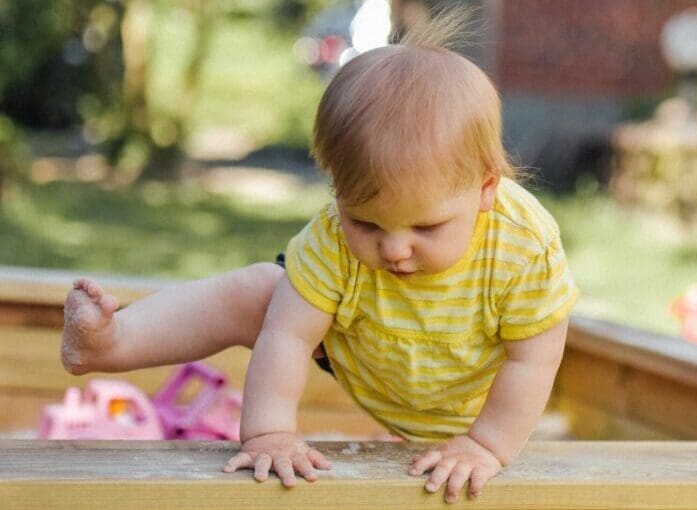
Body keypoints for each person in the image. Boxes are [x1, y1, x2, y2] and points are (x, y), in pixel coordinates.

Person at [59, 9, 578, 503]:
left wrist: (486, 444)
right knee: (262, 292)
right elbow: (287, 336)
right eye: (366, 223)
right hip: (367, 348)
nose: (394, 249)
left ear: (486, 189)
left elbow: (535, 356)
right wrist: (269, 433)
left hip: (474, 395)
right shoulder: (331, 237)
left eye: (427, 226)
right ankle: (111, 342)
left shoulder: (522, 247)